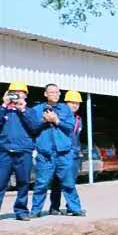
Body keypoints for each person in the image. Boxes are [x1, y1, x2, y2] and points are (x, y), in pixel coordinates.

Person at [26, 83, 78, 218]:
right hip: (45, 154)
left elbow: (70, 127)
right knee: (41, 184)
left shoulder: (65, 109)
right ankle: (35, 211)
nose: (55, 95)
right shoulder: (36, 110)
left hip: (63, 153)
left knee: (68, 183)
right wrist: (44, 120)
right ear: (45, 94)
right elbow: (31, 128)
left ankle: (75, 208)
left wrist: (56, 120)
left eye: (57, 92)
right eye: (52, 92)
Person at [0, 81, 35, 221]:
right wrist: (4, 105)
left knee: (23, 183)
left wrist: (23, 110)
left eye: (20, 93)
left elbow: (35, 127)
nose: (17, 95)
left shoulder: (30, 111)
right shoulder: (3, 110)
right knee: (0, 183)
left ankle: (21, 211)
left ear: (25, 95)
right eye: (13, 93)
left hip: (24, 151)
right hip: (5, 151)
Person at [48, 90, 86, 216]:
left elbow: (77, 137)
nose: (75, 105)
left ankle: (71, 207)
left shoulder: (78, 119)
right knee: (57, 181)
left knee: (71, 181)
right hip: (61, 153)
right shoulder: (58, 116)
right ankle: (54, 207)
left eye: (77, 103)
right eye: (72, 102)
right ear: (66, 103)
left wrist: (78, 151)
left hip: (74, 154)